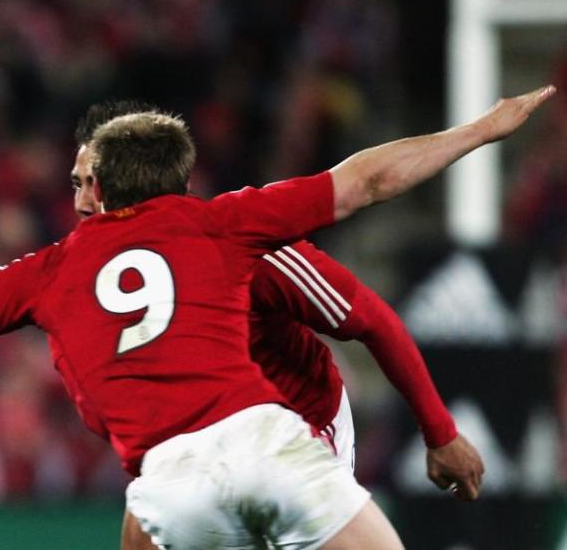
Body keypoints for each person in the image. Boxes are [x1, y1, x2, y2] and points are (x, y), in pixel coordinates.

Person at [0, 85, 553, 548]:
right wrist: (482, 130)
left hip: (172, 475)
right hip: (268, 442)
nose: (74, 190)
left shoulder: (53, 269)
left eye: (83, 177)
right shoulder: (225, 225)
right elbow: (365, 181)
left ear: (104, 183)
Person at [69, 101, 486, 549]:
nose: (80, 203)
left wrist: (440, 432)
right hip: (193, 453)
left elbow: (373, 321)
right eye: (77, 185)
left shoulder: (241, 244)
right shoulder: (89, 277)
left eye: (93, 185)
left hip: (295, 431)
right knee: (140, 531)